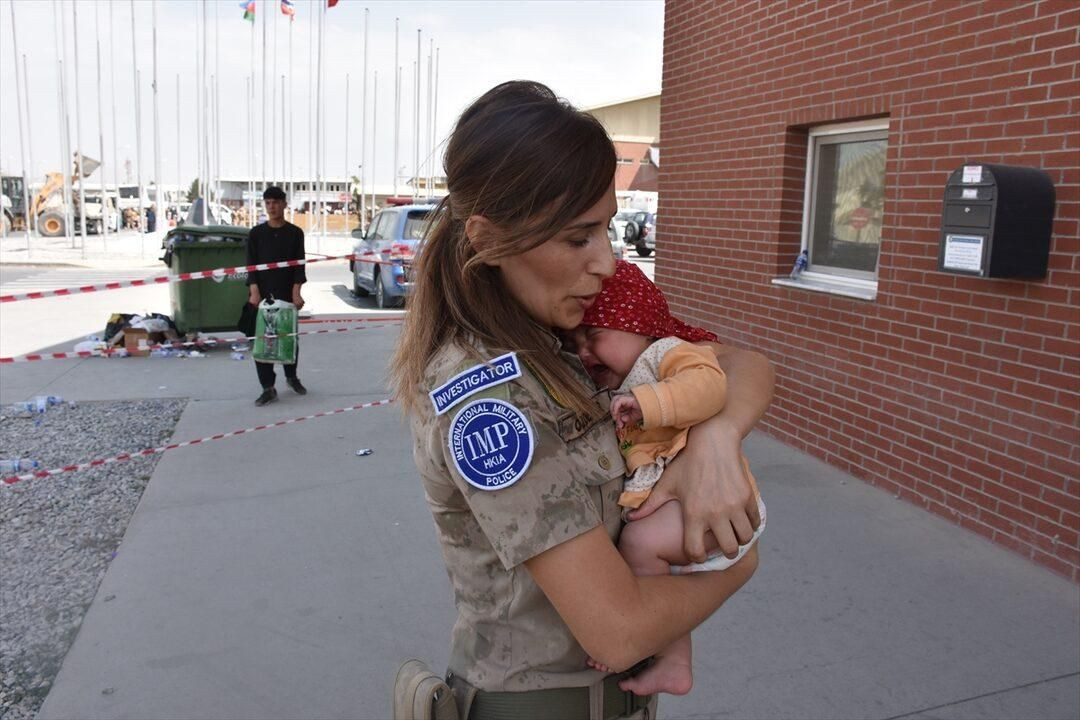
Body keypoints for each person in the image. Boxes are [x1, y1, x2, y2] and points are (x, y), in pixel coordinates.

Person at [390, 81, 774, 719]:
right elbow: (616, 628)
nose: (607, 262)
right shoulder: (487, 401)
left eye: (608, 230)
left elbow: (739, 363)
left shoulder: (554, 331)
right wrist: (739, 566)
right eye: (579, 238)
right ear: (488, 240)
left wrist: (714, 438)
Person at [571, 259, 768, 696]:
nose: (585, 351)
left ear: (641, 325)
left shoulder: (668, 353)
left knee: (639, 545)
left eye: (596, 335)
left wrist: (649, 402)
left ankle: (654, 644)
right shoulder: (624, 375)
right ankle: (675, 662)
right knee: (645, 550)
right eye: (577, 341)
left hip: (704, 500)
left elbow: (709, 386)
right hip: (680, 500)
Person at [245, 185, 307, 406]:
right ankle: (268, 387)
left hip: (287, 295)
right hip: (262, 297)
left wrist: (296, 293)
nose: (272, 207)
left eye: (276, 202)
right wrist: (254, 292)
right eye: (268, 203)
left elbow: (299, 265)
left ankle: (292, 377)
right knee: (263, 343)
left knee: (289, 339)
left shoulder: (295, 233)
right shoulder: (256, 234)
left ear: (284, 204)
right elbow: (251, 266)